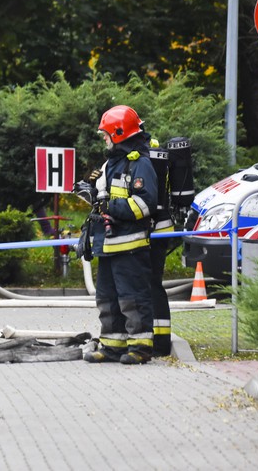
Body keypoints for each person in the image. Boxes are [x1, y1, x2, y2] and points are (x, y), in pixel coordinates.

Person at [83, 105, 158, 365]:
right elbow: (104, 198)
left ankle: (140, 347)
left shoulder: (141, 164)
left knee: (132, 298)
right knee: (107, 299)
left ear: (118, 134)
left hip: (130, 247)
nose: (104, 138)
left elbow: (144, 205)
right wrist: (91, 190)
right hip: (108, 245)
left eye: (106, 134)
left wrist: (109, 206)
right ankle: (112, 346)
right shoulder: (110, 164)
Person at [148, 135, 174, 356]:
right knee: (155, 284)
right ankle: (161, 341)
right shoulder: (159, 160)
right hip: (163, 226)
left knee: (150, 284)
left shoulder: (140, 160)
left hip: (153, 230)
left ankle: (157, 342)